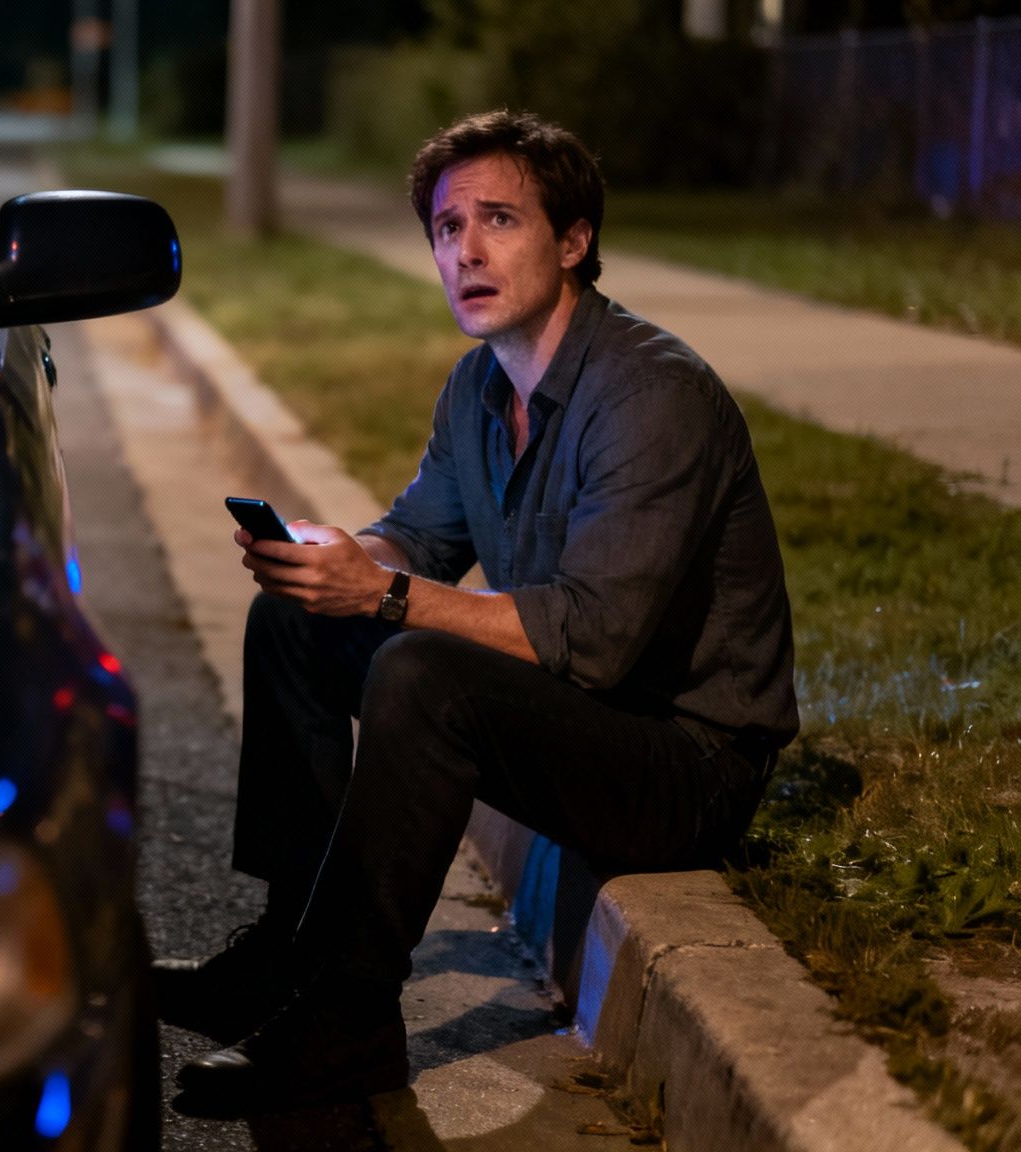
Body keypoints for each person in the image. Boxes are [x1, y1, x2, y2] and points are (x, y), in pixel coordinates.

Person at [157, 109, 799, 1115]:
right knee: (295, 619)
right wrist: (340, 560)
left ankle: (348, 1020)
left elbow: (591, 641)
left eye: (498, 220)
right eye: (447, 229)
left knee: (420, 670)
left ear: (573, 240)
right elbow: (414, 534)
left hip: (681, 763)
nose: (467, 251)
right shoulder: (478, 384)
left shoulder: (647, 395)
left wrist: (389, 596)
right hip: (580, 719)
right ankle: (285, 949)